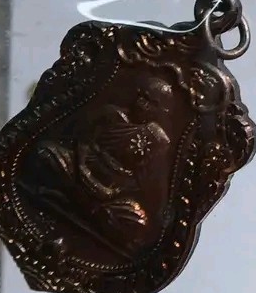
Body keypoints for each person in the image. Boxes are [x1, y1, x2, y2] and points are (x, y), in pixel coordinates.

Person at [25, 77, 174, 245]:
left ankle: (74, 202)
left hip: (109, 195)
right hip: (78, 172)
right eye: (142, 97)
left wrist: (112, 191)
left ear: (162, 110)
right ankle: (77, 201)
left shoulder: (157, 140)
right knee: (45, 153)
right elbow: (83, 140)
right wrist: (81, 167)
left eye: (152, 102)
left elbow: (145, 183)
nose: (143, 104)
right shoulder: (111, 114)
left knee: (137, 222)